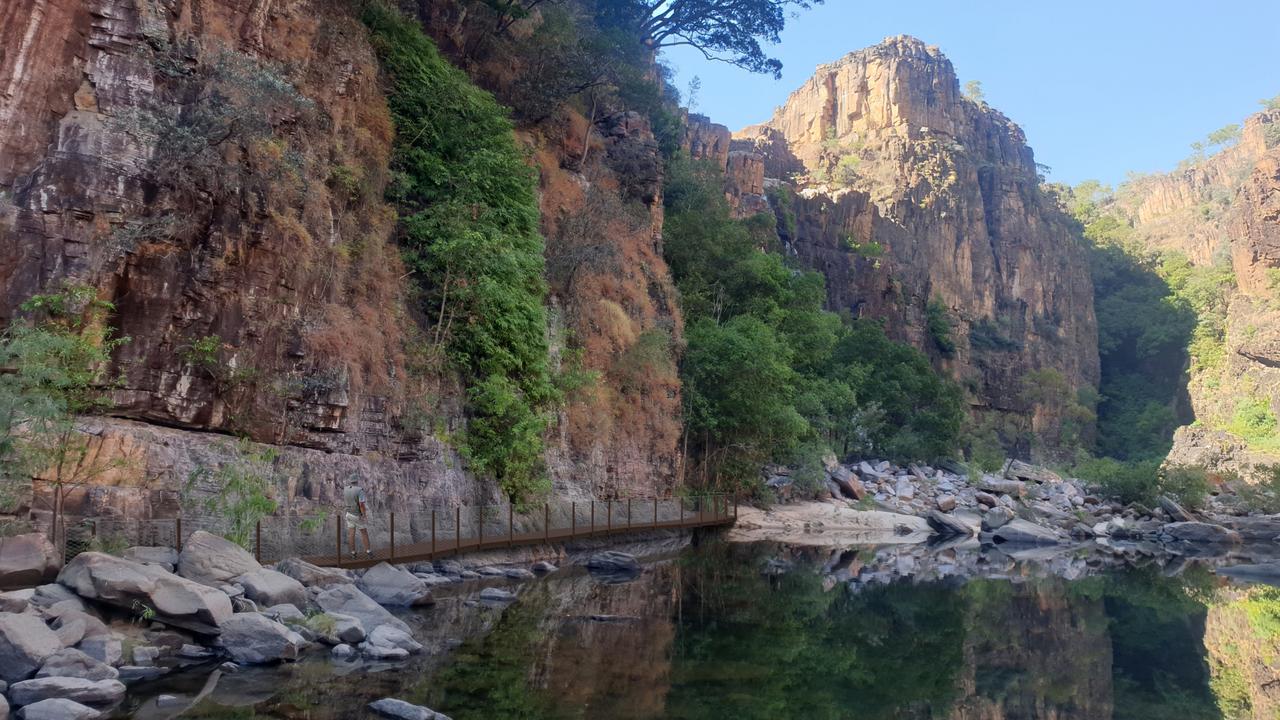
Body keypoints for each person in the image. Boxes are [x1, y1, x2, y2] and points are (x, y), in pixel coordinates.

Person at [343, 476, 372, 557]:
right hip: (357, 515)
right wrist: (364, 515)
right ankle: (368, 552)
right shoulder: (360, 490)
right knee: (364, 533)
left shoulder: (345, 489)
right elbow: (361, 504)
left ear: (351, 481)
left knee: (351, 533)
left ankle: (353, 553)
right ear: (357, 481)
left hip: (348, 514)